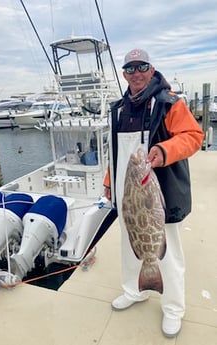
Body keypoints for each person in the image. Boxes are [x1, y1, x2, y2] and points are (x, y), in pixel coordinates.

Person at [103, 48, 204, 338]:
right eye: (130, 69)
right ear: (124, 74)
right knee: (129, 245)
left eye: (141, 67)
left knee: (167, 251)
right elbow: (117, 152)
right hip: (128, 195)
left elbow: (193, 136)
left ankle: (173, 307)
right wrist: (110, 179)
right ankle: (134, 291)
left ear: (151, 69)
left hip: (159, 193)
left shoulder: (168, 103)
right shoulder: (119, 108)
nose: (135, 73)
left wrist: (164, 149)